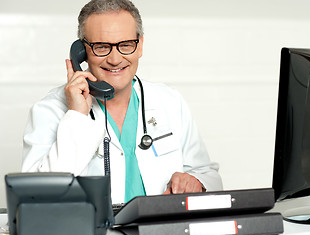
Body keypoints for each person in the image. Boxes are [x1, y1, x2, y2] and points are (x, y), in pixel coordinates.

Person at [22, 0, 222, 204]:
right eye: (101, 47)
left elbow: (208, 174)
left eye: (125, 45)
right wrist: (77, 116)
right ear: (82, 52)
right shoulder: (49, 110)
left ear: (140, 45)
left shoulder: (169, 101)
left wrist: (196, 181)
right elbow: (34, 196)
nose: (115, 59)